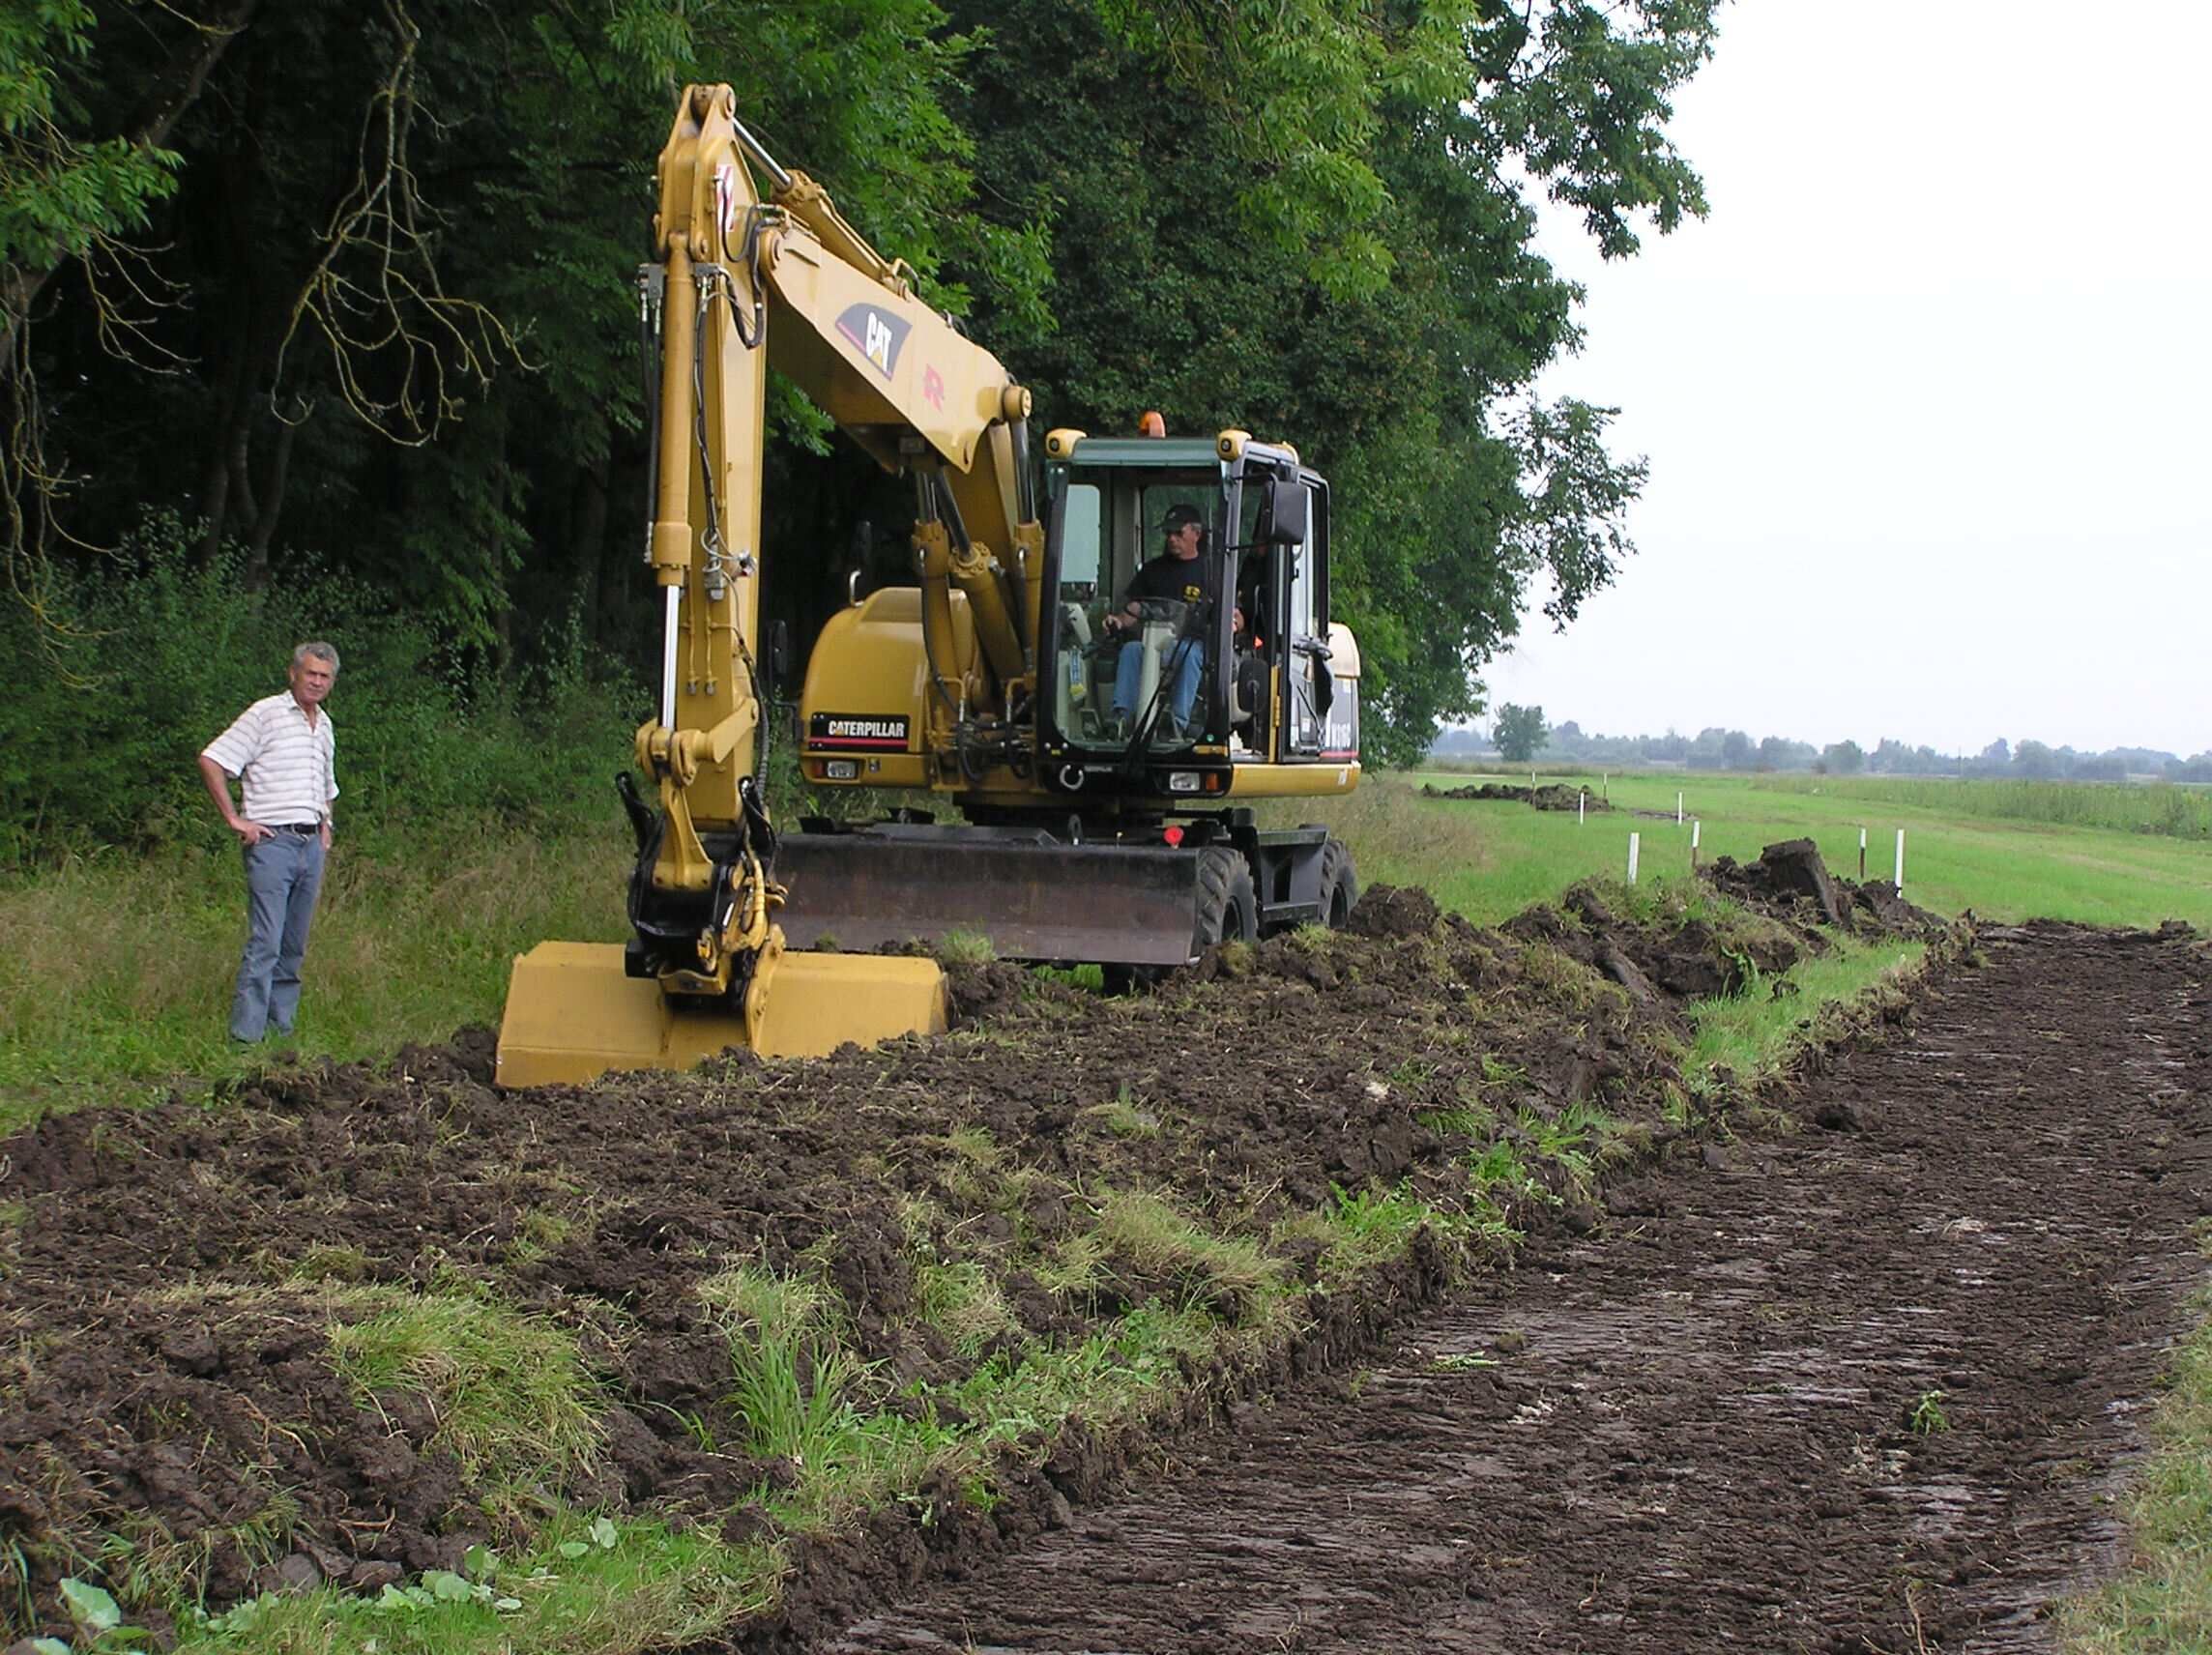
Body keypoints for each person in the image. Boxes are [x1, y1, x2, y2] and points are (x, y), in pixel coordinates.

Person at [198, 642, 340, 1044]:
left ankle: (281, 1035)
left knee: (294, 945)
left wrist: (326, 823)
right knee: (266, 941)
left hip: (311, 844)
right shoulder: (266, 714)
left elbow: (326, 784)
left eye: (324, 676)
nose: (316, 681)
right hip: (272, 843)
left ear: (331, 682)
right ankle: (246, 1038)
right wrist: (234, 819)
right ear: (292, 673)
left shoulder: (324, 724)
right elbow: (213, 760)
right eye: (310, 673)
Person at [1102, 504, 1239, 736]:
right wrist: (1117, 620)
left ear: (1197, 534)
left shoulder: (1213, 572)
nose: (1172, 538)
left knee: (1190, 653)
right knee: (1131, 650)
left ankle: (1177, 724)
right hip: (1154, 644)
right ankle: (1121, 718)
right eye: (1168, 533)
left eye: (1178, 533)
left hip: (1192, 646)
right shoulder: (1152, 570)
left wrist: (1231, 625)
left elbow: (1235, 615)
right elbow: (1133, 609)